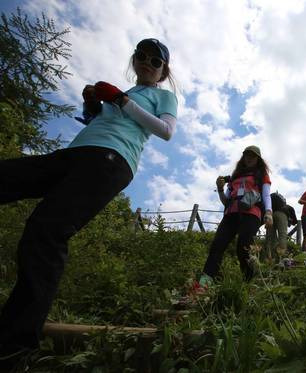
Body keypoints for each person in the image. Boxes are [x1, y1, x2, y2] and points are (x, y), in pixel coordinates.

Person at [0, 38, 178, 362]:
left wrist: (121, 100)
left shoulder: (162, 96)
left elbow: (166, 131)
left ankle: (14, 348)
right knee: (8, 176)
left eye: (155, 61)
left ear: (163, 71)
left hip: (111, 159)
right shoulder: (129, 96)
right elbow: (96, 122)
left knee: (46, 231)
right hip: (76, 153)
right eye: (142, 56)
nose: (146, 63)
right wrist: (93, 105)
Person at [199, 145, 273, 286]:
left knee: (244, 247)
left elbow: (266, 195)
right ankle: (204, 284)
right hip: (230, 214)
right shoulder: (234, 176)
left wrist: (268, 212)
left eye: (253, 156)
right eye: (247, 155)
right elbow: (225, 200)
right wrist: (220, 189)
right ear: (243, 156)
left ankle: (248, 284)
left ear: (258, 159)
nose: (249, 158)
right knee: (217, 246)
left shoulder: (261, 175)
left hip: (251, 214)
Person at [264, 195, 298, 260]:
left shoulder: (270, 204)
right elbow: (295, 222)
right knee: (282, 236)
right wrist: (290, 221)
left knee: (270, 238)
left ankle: (270, 259)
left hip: (270, 214)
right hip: (281, 215)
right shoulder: (289, 208)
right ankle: (281, 259)